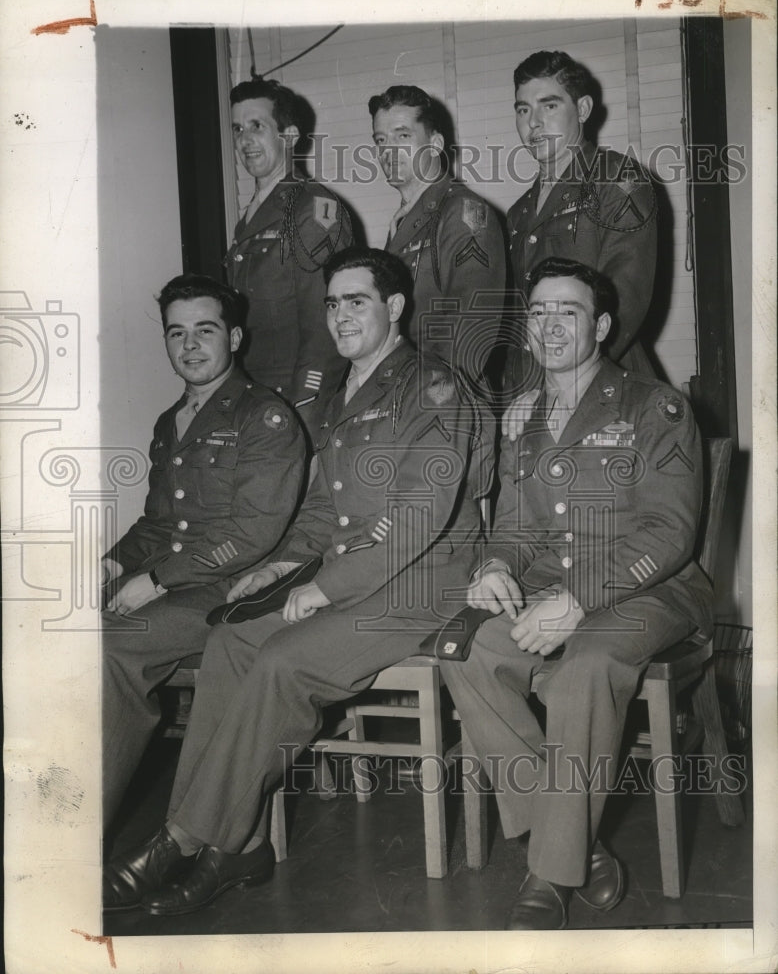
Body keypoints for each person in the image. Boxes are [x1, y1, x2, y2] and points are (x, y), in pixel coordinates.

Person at [102, 247, 493, 915]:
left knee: (284, 661)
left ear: (395, 307)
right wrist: (279, 565)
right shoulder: (346, 394)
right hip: (362, 576)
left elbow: (417, 516)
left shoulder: (432, 386)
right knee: (232, 639)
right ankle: (239, 844)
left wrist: (326, 587)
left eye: (357, 301)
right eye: (333, 303)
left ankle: (184, 839)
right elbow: (320, 510)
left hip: (424, 582)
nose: (341, 315)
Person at [440, 257, 712, 930]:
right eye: (538, 312)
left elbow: (670, 532)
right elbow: (515, 528)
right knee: (464, 650)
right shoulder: (524, 417)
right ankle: (575, 841)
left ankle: (551, 873)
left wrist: (578, 600)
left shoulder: (655, 406)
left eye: (569, 311)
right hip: (553, 584)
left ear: (603, 326)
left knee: (585, 668)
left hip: (648, 587)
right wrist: (496, 566)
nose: (551, 325)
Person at [101, 273, 306, 827]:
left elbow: (253, 533)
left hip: (227, 588)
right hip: (171, 579)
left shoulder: (264, 417)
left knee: (107, 647)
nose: (190, 345)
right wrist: (111, 563)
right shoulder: (171, 422)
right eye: (177, 333)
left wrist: (155, 581)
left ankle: (83, 828)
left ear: (234, 338)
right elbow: (157, 522)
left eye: (205, 330)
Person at [503, 50, 657, 438]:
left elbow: (624, 297)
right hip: (531, 396)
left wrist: (562, 388)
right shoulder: (518, 213)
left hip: (602, 395)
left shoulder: (616, 180)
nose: (533, 122)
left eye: (549, 105)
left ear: (583, 109)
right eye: (523, 110)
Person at [225, 78, 353, 440]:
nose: (245, 140)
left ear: (290, 136)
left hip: (291, 408)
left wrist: (303, 419)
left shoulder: (313, 210)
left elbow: (327, 329)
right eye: (237, 129)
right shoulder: (251, 217)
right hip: (254, 404)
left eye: (257, 126)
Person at [369, 84, 506, 391]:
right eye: (381, 140)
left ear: (435, 144)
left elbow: (473, 327)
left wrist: (433, 401)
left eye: (403, 136)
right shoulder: (404, 221)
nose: (388, 151)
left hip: (444, 399)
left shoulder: (464, 212)